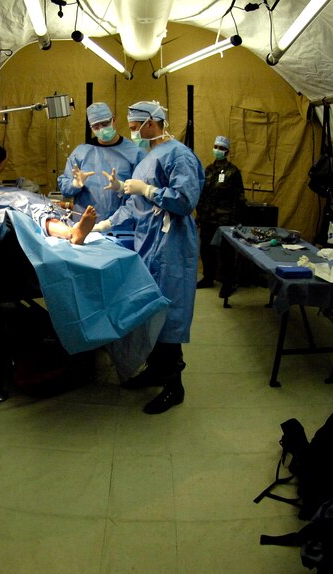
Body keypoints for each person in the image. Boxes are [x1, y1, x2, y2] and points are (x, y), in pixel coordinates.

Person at [95, 101, 205, 414]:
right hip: (149, 245)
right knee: (150, 312)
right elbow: (135, 206)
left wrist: (148, 190)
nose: (132, 132)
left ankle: (175, 387)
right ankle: (156, 371)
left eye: (134, 126)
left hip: (171, 247)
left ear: (153, 123)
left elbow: (184, 200)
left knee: (167, 315)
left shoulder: (178, 154)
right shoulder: (148, 157)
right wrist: (108, 221)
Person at [57, 102, 146, 223]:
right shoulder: (81, 153)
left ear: (114, 119)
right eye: (96, 127)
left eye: (105, 124)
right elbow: (65, 189)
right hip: (85, 226)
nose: (102, 130)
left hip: (122, 225)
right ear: (91, 127)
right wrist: (75, 184)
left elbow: (142, 194)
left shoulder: (135, 153)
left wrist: (121, 187)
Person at [197, 135, 245, 293]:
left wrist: (235, 220)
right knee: (206, 249)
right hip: (208, 218)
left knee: (226, 253)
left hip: (225, 220)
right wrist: (200, 215)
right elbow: (203, 194)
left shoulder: (233, 172)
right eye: (216, 147)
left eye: (221, 148)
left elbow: (239, 198)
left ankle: (228, 283)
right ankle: (208, 277)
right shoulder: (209, 169)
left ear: (227, 151)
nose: (217, 150)